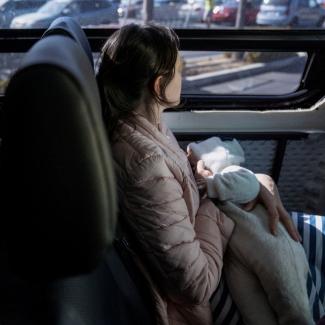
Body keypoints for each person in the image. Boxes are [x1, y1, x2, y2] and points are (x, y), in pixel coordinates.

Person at [96, 23, 305, 325]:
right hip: (194, 304)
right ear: (158, 85)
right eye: (178, 70)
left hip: (203, 242)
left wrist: (203, 180)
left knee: (269, 213)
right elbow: (194, 287)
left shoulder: (146, 126)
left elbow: (176, 199)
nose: (183, 77)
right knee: (279, 233)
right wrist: (218, 208)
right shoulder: (145, 163)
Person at [188, 137, 313, 324]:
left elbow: (251, 186)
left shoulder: (232, 172)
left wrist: (209, 183)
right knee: (253, 311)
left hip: (269, 242)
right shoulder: (209, 200)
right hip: (233, 254)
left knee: (290, 300)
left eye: (194, 163)